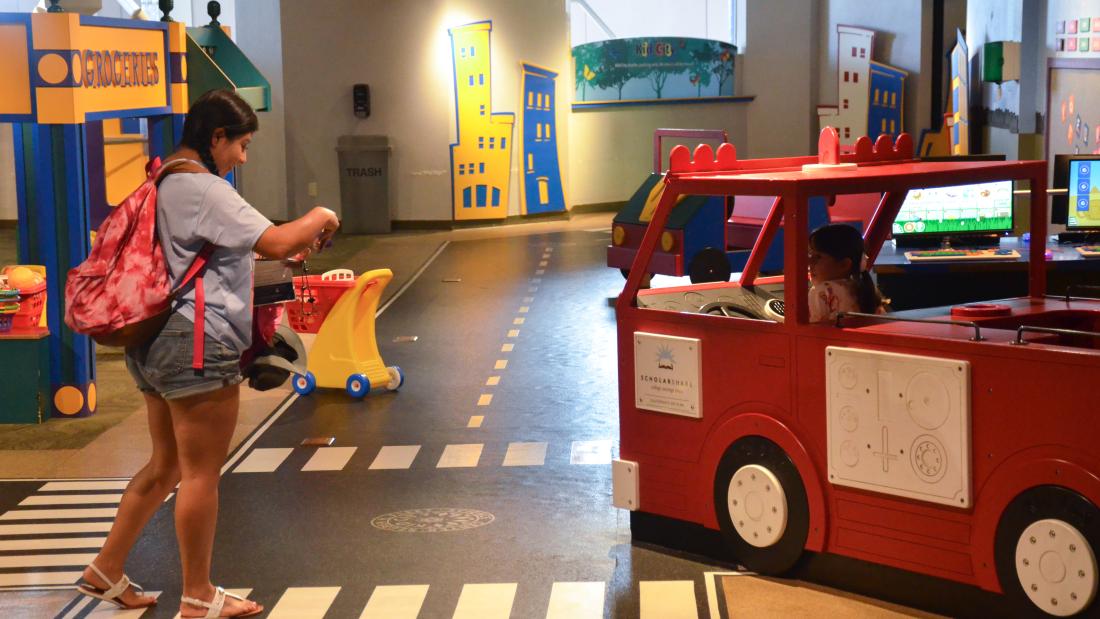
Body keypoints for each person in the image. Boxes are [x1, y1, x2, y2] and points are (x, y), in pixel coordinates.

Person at [75, 89, 340, 618]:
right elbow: (281, 242)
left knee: (166, 465)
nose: (242, 157)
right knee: (200, 473)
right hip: (198, 343)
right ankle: (197, 597)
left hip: (155, 340)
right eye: (240, 145)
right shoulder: (204, 188)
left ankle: (105, 569)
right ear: (216, 138)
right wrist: (322, 213)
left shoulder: (161, 179)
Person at [807, 224, 885, 323]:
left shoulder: (822, 292)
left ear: (844, 264)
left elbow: (813, 332)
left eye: (818, 257)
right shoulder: (863, 287)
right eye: (810, 254)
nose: (809, 262)